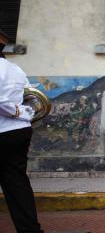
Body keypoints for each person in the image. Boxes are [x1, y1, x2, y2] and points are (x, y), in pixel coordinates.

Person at [0, 30, 44, 233]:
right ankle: (30, 230)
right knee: (17, 184)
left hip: (3, 130)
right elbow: (34, 98)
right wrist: (24, 113)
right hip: (20, 131)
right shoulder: (15, 69)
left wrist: (15, 110)